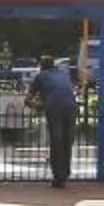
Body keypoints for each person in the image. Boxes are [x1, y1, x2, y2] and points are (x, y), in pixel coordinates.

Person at [28, 54, 79, 189]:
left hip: (54, 107)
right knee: (67, 141)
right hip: (72, 107)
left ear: (41, 66)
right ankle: (65, 173)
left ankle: (58, 176)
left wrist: (37, 106)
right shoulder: (63, 74)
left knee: (57, 140)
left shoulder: (40, 76)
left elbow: (28, 99)